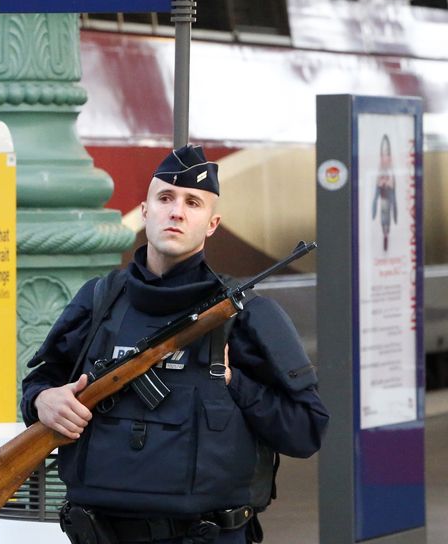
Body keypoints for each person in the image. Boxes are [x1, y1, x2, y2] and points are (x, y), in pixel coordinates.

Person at [21, 145, 329, 544]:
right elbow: (40, 382)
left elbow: (307, 430)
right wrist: (42, 401)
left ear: (212, 223)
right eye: (165, 198)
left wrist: (235, 381)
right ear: (145, 211)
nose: (176, 211)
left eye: (193, 203)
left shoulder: (247, 315)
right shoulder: (99, 300)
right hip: (99, 533)